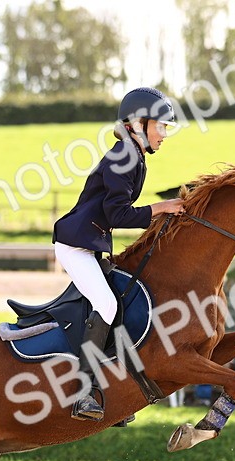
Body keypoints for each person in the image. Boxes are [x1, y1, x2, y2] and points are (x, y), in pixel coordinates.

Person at [52, 87, 185, 421]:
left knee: (122, 305)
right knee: (108, 305)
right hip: (75, 246)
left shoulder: (132, 156)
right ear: (139, 123)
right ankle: (82, 393)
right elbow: (118, 216)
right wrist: (161, 207)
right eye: (162, 126)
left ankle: (117, 391)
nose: (165, 134)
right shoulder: (123, 157)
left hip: (90, 245)